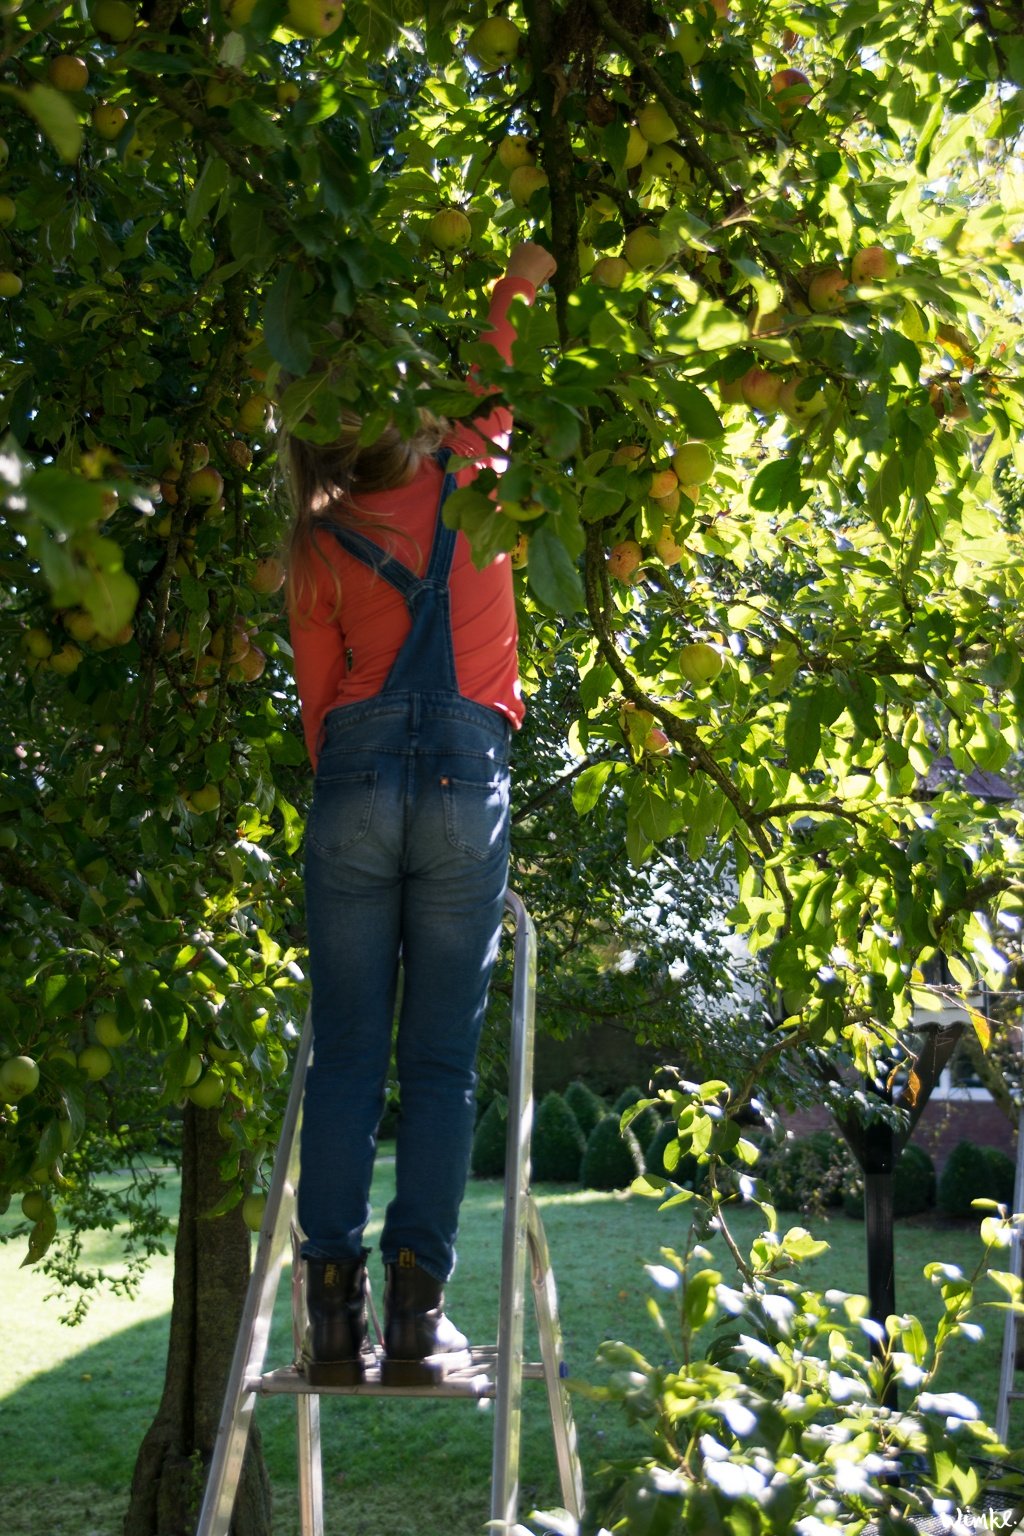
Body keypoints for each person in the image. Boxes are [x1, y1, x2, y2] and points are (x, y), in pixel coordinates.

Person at [286, 239, 557, 1387]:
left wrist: (356, 778)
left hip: (351, 778)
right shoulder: (470, 467)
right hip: (465, 772)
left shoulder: (317, 533)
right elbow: (504, 348)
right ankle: (414, 1318)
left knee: (347, 1056)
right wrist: (516, 280)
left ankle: (332, 1320)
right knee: (439, 1064)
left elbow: (315, 702)